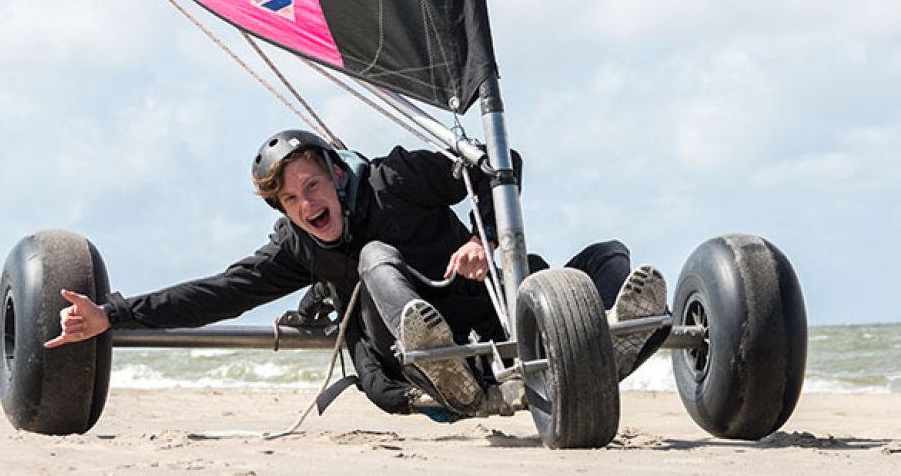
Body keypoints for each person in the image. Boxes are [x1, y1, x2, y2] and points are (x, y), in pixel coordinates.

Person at [45, 129, 668, 419]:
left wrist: (481, 237)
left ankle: (602, 350)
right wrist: (113, 315)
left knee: (609, 256)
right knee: (372, 257)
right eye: (290, 200)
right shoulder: (297, 247)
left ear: (336, 175)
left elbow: (499, 164)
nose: (306, 205)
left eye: (311, 186)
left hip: (494, 306)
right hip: (412, 362)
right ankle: (439, 363)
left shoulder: (397, 177)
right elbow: (220, 292)